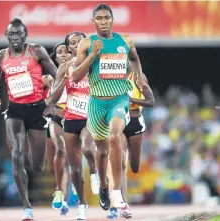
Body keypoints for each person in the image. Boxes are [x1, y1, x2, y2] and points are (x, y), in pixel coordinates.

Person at [71, 3, 148, 211]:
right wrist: (91, 56)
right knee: (101, 151)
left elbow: (134, 57)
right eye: (99, 18)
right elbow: (75, 77)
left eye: (107, 18)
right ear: (93, 21)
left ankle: (116, 193)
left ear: (112, 19)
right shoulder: (87, 44)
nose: (103, 22)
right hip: (96, 103)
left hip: (119, 99)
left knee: (115, 137)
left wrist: (139, 78)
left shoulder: (125, 41)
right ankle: (104, 186)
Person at [0, 18, 57, 220]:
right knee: (16, 154)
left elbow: (57, 75)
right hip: (15, 110)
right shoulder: (0, 57)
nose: (16, 37)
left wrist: (51, 101)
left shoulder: (36, 51)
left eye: (19, 33)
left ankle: (34, 171)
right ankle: (26, 207)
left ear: (25, 35)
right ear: (6, 36)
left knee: (37, 165)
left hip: (37, 110)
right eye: (12, 34)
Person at [46, 32, 99, 220]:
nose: (76, 46)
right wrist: (65, 81)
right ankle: (82, 205)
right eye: (72, 43)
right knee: (75, 168)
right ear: (68, 48)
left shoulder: (95, 65)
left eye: (79, 42)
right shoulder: (64, 68)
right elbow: (52, 98)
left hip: (89, 118)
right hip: (70, 119)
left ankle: (94, 171)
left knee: (87, 147)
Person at [107, 62, 155, 219]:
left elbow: (151, 102)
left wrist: (132, 100)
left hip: (135, 123)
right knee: (120, 163)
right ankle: (123, 204)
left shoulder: (138, 78)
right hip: (119, 121)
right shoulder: (110, 79)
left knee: (134, 166)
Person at [47, 42, 73, 215]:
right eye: (59, 52)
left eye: (66, 52)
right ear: (55, 57)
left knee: (65, 159)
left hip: (72, 119)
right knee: (54, 165)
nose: (63, 54)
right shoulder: (48, 78)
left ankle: (62, 199)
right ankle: (59, 188)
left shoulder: (78, 74)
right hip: (55, 119)